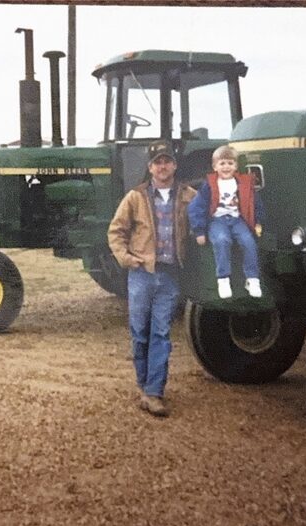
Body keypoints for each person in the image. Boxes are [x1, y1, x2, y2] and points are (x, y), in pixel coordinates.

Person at [108, 140, 197, 417]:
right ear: (150, 167)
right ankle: (143, 384)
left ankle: (154, 392)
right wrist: (126, 258)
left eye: (167, 161)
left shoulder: (188, 195)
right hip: (142, 275)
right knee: (140, 333)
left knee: (161, 333)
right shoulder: (135, 197)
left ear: (174, 165)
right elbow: (116, 231)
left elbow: (208, 213)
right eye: (157, 162)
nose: (162, 166)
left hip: (170, 276)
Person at [187, 145, 265, 299]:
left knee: (248, 241)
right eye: (222, 163)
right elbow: (196, 207)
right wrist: (199, 231)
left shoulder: (244, 184)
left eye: (230, 163)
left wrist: (258, 222)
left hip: (237, 220)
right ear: (215, 167)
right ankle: (223, 279)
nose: (226, 167)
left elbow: (255, 204)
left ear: (236, 166)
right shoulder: (209, 185)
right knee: (221, 240)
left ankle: (252, 279)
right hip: (218, 220)